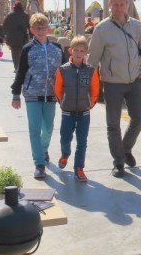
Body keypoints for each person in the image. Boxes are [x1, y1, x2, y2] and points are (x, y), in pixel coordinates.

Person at [87, 0, 141, 178]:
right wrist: (89, 86)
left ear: (127, 5)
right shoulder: (102, 29)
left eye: (121, 4)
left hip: (134, 81)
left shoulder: (136, 26)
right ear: (109, 5)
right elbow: (92, 60)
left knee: (139, 119)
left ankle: (125, 149)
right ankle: (118, 161)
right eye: (115, 4)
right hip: (112, 82)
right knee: (113, 124)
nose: (118, 8)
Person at [11, 13, 64, 179]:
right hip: (32, 94)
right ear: (32, 30)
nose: (41, 31)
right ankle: (39, 163)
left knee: (48, 128)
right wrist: (15, 94)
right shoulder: (28, 49)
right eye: (37, 28)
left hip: (51, 94)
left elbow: (64, 72)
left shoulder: (57, 49)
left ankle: (43, 149)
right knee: (34, 130)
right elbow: (21, 72)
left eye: (43, 28)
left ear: (48, 28)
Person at [54, 36, 99, 182]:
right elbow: (58, 89)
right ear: (70, 51)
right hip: (67, 112)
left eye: (81, 51)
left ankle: (79, 168)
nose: (78, 53)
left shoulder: (90, 71)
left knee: (82, 141)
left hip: (84, 112)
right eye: (76, 50)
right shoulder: (63, 70)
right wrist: (63, 102)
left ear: (86, 52)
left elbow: (95, 89)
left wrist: (90, 104)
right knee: (65, 137)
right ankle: (65, 154)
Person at [3, 1, 30, 72]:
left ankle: (16, 67)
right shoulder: (26, 15)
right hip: (23, 36)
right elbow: (29, 26)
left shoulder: (9, 15)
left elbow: (5, 26)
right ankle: (22, 67)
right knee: (23, 53)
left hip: (12, 37)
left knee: (14, 53)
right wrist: (31, 35)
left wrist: (6, 35)